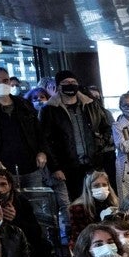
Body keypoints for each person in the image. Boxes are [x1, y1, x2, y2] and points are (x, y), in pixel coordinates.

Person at [40, 70, 115, 201]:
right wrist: (55, 168)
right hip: (68, 166)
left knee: (98, 199)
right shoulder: (50, 110)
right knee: (76, 203)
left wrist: (101, 143)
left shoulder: (90, 105)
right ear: (58, 86)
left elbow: (106, 127)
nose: (70, 84)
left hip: (93, 163)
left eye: (73, 82)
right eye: (66, 82)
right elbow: (45, 141)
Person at [68, 171, 120, 246]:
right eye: (96, 186)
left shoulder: (114, 204)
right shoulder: (78, 208)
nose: (101, 188)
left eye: (104, 185)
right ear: (88, 188)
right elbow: (80, 237)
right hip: (89, 245)